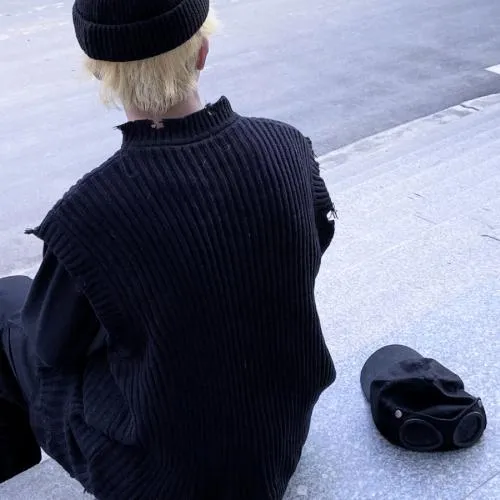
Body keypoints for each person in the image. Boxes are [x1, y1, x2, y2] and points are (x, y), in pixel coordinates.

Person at [0, 0, 337, 498]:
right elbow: (313, 244)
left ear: (101, 72)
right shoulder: (287, 148)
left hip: (163, 479)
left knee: (7, 302)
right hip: (277, 441)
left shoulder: (88, 214)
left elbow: (51, 347)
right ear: (202, 51)